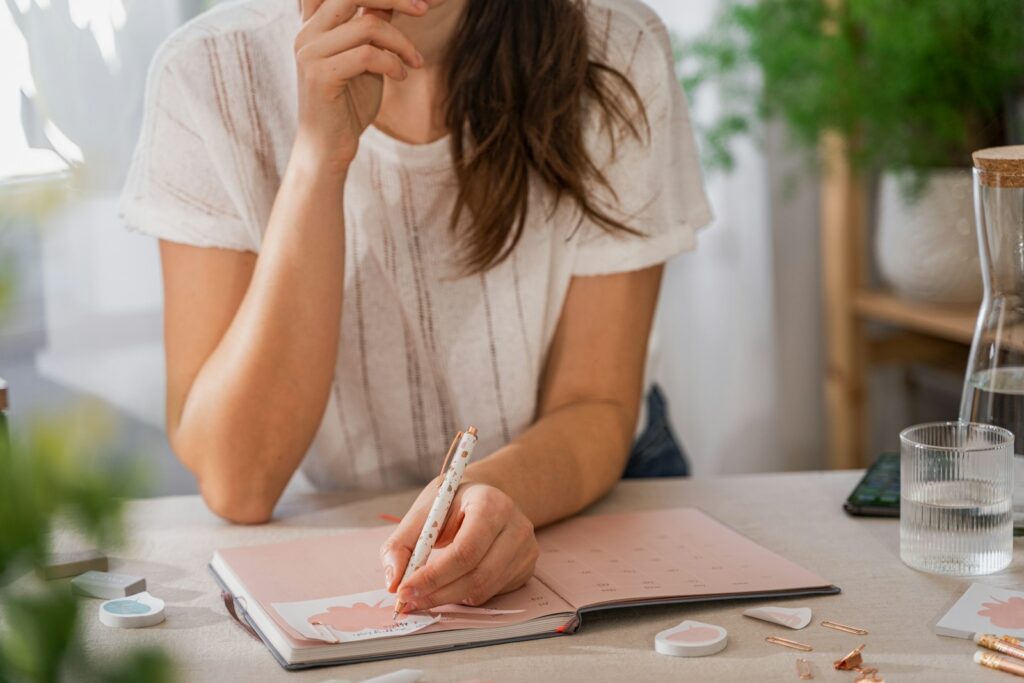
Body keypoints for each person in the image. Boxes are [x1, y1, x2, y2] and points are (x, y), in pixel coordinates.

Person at [120, 0, 711, 614]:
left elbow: (596, 402)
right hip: (352, 522)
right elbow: (239, 480)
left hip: (584, 489)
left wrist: (485, 491)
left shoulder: (614, 44)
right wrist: (320, 157)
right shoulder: (207, 72)